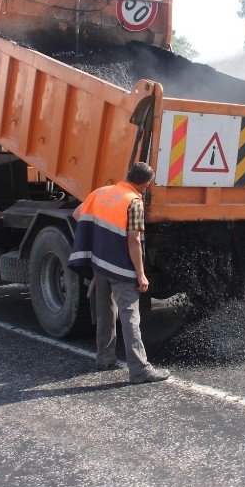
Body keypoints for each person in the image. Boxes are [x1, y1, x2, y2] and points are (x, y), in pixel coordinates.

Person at [68, 162, 170, 384]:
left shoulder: (100, 192)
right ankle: (139, 369)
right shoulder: (134, 202)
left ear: (127, 176)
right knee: (130, 317)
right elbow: (133, 240)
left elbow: (77, 214)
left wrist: (101, 237)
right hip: (121, 268)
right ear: (144, 185)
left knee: (105, 312)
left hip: (100, 264)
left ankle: (104, 359)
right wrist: (141, 275)